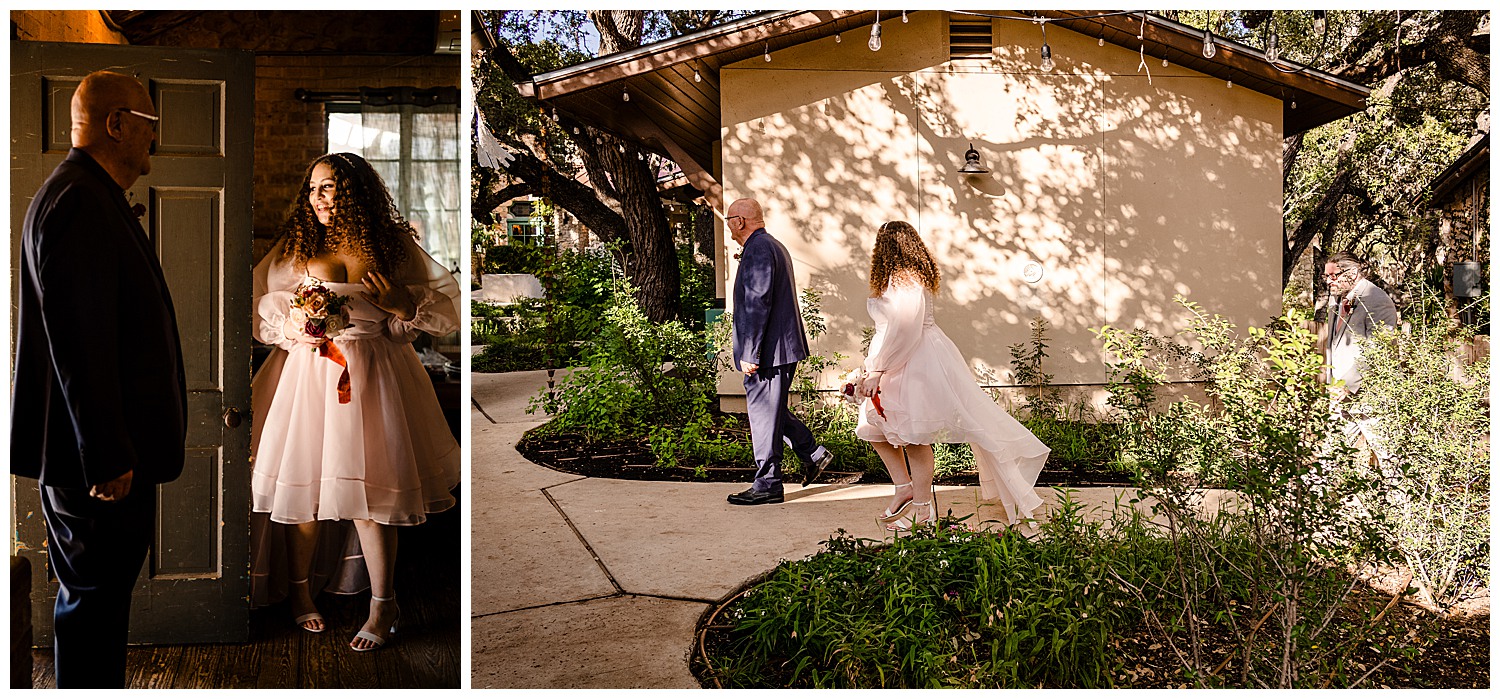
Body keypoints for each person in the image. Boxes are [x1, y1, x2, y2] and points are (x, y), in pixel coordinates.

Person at [10, 70, 181, 688]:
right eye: (150, 125)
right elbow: (80, 345)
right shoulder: (78, 200)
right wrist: (106, 454)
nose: (154, 141)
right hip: (100, 464)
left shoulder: (88, 193)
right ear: (117, 123)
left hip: (107, 456)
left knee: (100, 605)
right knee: (93, 609)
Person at [250, 152, 460, 651]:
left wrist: (403, 307)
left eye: (334, 188)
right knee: (303, 495)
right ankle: (300, 594)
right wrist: (302, 324)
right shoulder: (299, 246)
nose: (322, 199)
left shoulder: (392, 246)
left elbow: (414, 324)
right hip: (311, 374)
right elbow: (267, 312)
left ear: (358, 193)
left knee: (376, 497)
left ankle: (383, 605)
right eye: (316, 189)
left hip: (378, 377)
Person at [853, 221, 1051, 530]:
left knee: (912, 436)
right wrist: (872, 365)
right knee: (872, 426)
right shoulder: (901, 278)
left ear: (886, 249)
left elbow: (905, 329)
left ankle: (922, 509)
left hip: (913, 361)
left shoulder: (906, 280)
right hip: (896, 359)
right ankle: (904, 487)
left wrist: (878, 370)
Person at [725, 197, 833, 505]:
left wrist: (751, 351)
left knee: (762, 414)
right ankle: (811, 452)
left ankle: (768, 483)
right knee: (770, 411)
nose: (729, 227)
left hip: (769, 352)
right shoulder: (771, 245)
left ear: (740, 222)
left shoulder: (759, 248)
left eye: (730, 220)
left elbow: (757, 301)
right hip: (778, 349)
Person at [1322, 251, 1399, 456]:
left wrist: (1347, 385)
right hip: (1340, 398)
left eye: (1334, 276)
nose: (1329, 281)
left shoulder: (1376, 299)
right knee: (1327, 458)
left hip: (1371, 399)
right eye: (1326, 277)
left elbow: (1379, 348)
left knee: (1389, 459)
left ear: (1354, 273)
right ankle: (1312, 490)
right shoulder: (1337, 301)